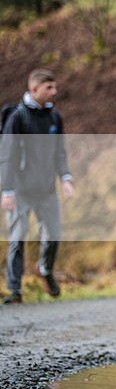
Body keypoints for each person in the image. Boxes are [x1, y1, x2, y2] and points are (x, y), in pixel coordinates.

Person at [0, 69, 74, 305]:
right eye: (49, 88)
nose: (54, 92)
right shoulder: (18, 118)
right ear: (34, 89)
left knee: (53, 236)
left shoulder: (54, 118)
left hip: (47, 190)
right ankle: (14, 290)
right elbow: (7, 156)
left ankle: (45, 268)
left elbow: (59, 152)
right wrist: (7, 190)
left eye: (54, 87)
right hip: (20, 191)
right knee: (17, 238)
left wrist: (66, 178)